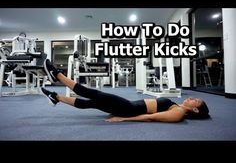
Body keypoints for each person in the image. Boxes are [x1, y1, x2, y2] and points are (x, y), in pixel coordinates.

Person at [41, 59, 210, 123]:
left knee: (93, 94)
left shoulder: (179, 113)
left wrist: (125, 118)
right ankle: (56, 97)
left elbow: (152, 117)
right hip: (127, 106)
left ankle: (57, 75)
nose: (193, 98)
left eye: (196, 101)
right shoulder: (176, 106)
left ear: (195, 109)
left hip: (128, 108)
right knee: (90, 103)